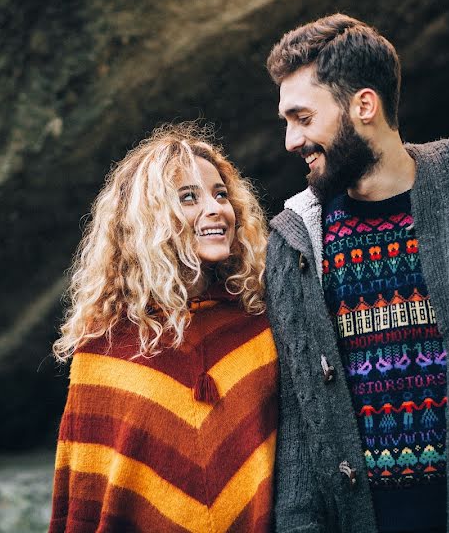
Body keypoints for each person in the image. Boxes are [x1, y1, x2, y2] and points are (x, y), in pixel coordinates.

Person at [263, 14, 449, 533]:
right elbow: (297, 412)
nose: (291, 140)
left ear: (363, 105)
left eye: (303, 117)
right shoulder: (296, 241)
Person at [49, 122, 278, 532]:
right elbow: (86, 499)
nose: (214, 208)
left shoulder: (260, 326)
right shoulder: (104, 352)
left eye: (220, 194)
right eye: (188, 197)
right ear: (148, 222)